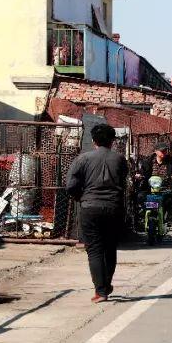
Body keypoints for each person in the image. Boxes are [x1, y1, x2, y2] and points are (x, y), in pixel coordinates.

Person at [66, 123, 127, 304]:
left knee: (94, 250)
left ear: (93, 141)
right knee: (110, 248)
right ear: (112, 141)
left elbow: (70, 186)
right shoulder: (120, 159)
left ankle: (101, 291)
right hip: (114, 208)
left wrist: (81, 198)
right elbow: (124, 182)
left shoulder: (83, 159)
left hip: (89, 208)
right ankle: (105, 285)